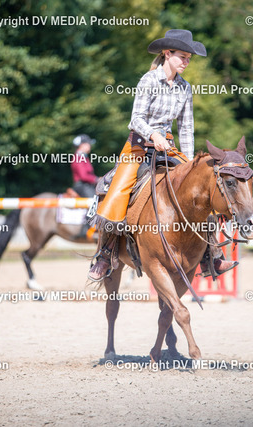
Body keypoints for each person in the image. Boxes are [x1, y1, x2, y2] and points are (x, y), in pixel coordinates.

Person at [87, 29, 237, 281]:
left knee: (200, 187)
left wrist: (190, 163)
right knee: (118, 188)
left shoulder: (185, 87)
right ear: (167, 54)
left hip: (168, 148)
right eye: (182, 57)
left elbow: (186, 128)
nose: (186, 62)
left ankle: (211, 255)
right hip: (138, 146)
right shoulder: (148, 80)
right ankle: (106, 253)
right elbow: (135, 119)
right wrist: (153, 135)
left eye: (189, 58)